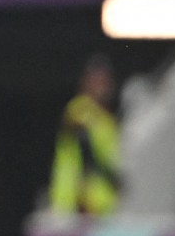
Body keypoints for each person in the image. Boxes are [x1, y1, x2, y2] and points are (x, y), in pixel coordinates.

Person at [48, 56, 121, 216]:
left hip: (101, 206)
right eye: (97, 81)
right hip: (78, 203)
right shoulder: (80, 110)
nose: (103, 87)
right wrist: (83, 196)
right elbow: (85, 153)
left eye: (106, 81)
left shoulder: (106, 118)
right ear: (86, 82)